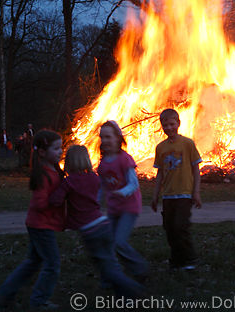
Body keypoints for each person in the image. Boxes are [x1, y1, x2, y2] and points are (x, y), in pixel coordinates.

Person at [49, 145, 145, 297]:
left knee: (105, 266)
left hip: (90, 232)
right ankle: (120, 294)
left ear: (69, 163)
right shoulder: (95, 178)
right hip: (104, 224)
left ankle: (133, 290)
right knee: (111, 262)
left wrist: (55, 189)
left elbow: (55, 201)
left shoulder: (69, 182)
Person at [0, 130, 65, 310]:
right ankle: (39, 301)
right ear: (42, 152)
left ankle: (5, 295)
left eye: (61, 148)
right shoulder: (43, 174)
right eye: (56, 148)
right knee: (52, 264)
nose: (60, 151)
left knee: (33, 262)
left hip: (38, 224)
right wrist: (57, 197)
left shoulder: (52, 170)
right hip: (41, 226)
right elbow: (40, 203)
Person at [151, 109, 202, 270]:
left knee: (181, 226)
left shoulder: (188, 144)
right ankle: (176, 259)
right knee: (169, 228)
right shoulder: (161, 147)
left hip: (184, 194)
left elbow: (196, 169)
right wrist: (155, 195)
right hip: (168, 195)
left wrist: (196, 192)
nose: (169, 128)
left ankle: (189, 258)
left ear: (178, 123)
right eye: (165, 125)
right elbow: (159, 173)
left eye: (172, 124)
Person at [97, 121, 149, 281]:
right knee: (108, 243)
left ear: (118, 138)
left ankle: (140, 269)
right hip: (113, 209)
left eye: (108, 137)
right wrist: (96, 203)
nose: (105, 140)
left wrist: (122, 192)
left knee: (119, 242)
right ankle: (112, 275)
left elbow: (133, 183)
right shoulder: (103, 163)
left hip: (129, 208)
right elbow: (102, 186)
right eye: (102, 137)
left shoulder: (125, 159)